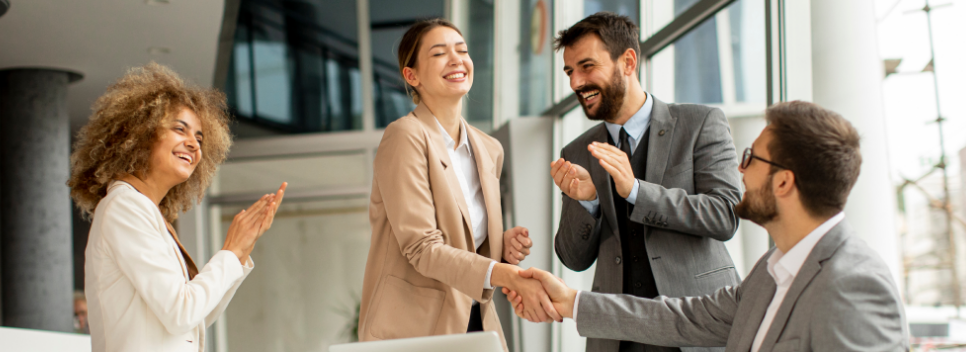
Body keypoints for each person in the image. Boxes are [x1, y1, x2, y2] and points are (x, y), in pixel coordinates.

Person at [508, 101, 910, 352]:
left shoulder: (854, 283)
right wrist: (570, 302)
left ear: (784, 182)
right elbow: (682, 318)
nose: (740, 169)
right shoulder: (771, 271)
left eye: (751, 158)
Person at [507, 12, 742, 352]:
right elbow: (573, 258)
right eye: (570, 72)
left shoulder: (700, 123)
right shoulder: (576, 152)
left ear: (628, 62)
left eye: (587, 67)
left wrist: (636, 191)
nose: (576, 83)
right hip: (617, 338)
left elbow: (725, 215)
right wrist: (587, 202)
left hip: (696, 326)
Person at [357, 18, 552, 351]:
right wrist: (509, 276)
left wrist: (498, 245)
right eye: (439, 53)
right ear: (412, 76)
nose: (456, 60)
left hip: (475, 320)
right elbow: (422, 248)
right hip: (415, 330)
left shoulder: (489, 149)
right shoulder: (405, 136)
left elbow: (465, 245)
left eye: (462, 50)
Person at [68, 63, 286, 352]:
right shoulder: (125, 207)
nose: (194, 145)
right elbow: (181, 312)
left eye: (199, 138)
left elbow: (194, 320)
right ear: (143, 133)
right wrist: (230, 252)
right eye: (180, 129)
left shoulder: (142, 209)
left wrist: (240, 252)